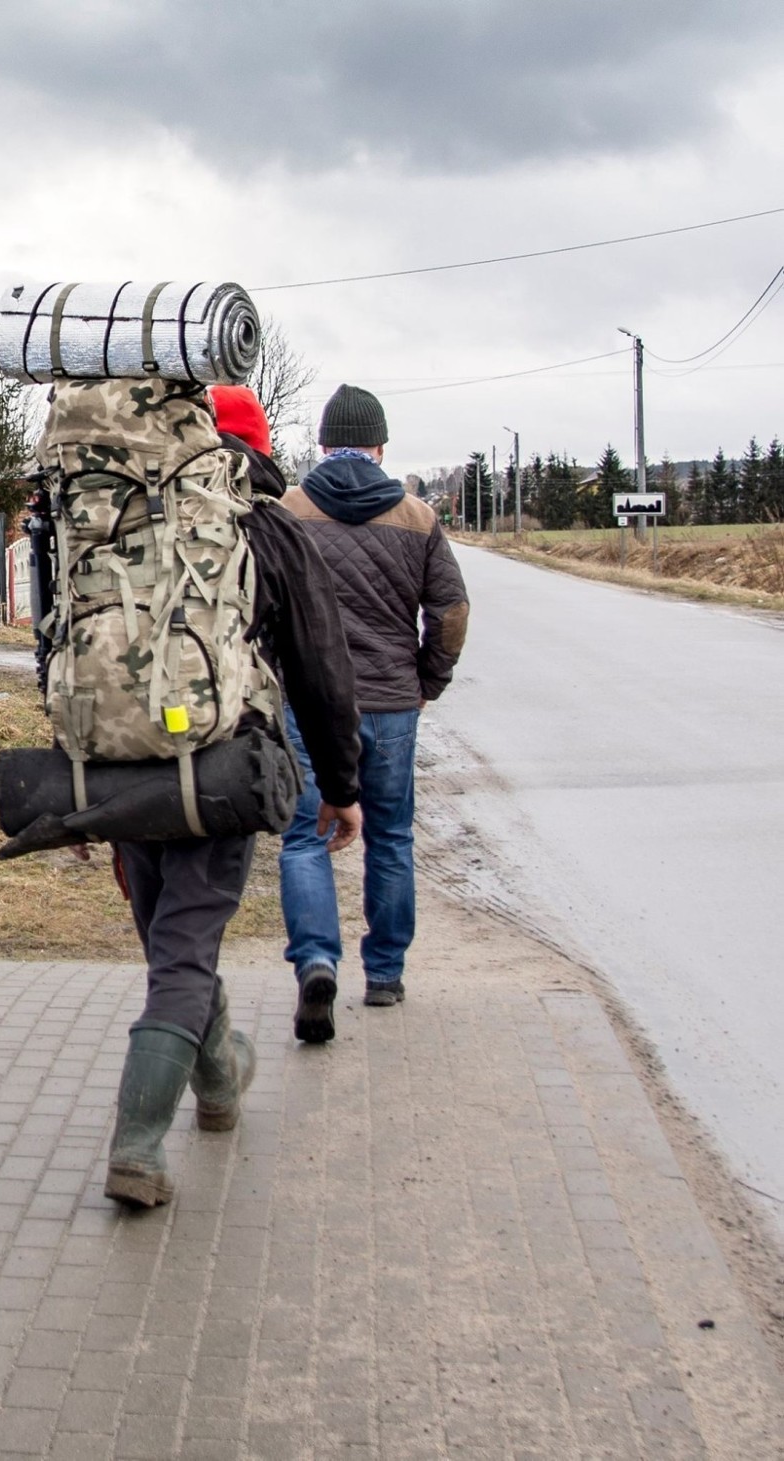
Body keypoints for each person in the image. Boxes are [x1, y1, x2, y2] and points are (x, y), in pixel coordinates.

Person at [98, 383, 362, 1207]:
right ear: (259, 444)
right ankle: (136, 1148)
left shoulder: (118, 512)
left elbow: (69, 642)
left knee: (173, 942)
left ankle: (219, 1083)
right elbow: (320, 662)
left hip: (124, 764)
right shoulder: (267, 524)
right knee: (182, 952)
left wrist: (81, 784)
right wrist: (342, 784)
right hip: (219, 768)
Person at [279, 384, 469, 1042]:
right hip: (390, 704)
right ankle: (384, 972)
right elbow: (449, 612)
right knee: (390, 835)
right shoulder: (417, 518)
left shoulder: (290, 510)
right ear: (381, 447)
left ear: (325, 443)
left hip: (308, 702)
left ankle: (316, 962)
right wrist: (427, 681)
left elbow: (264, 607)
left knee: (305, 837)